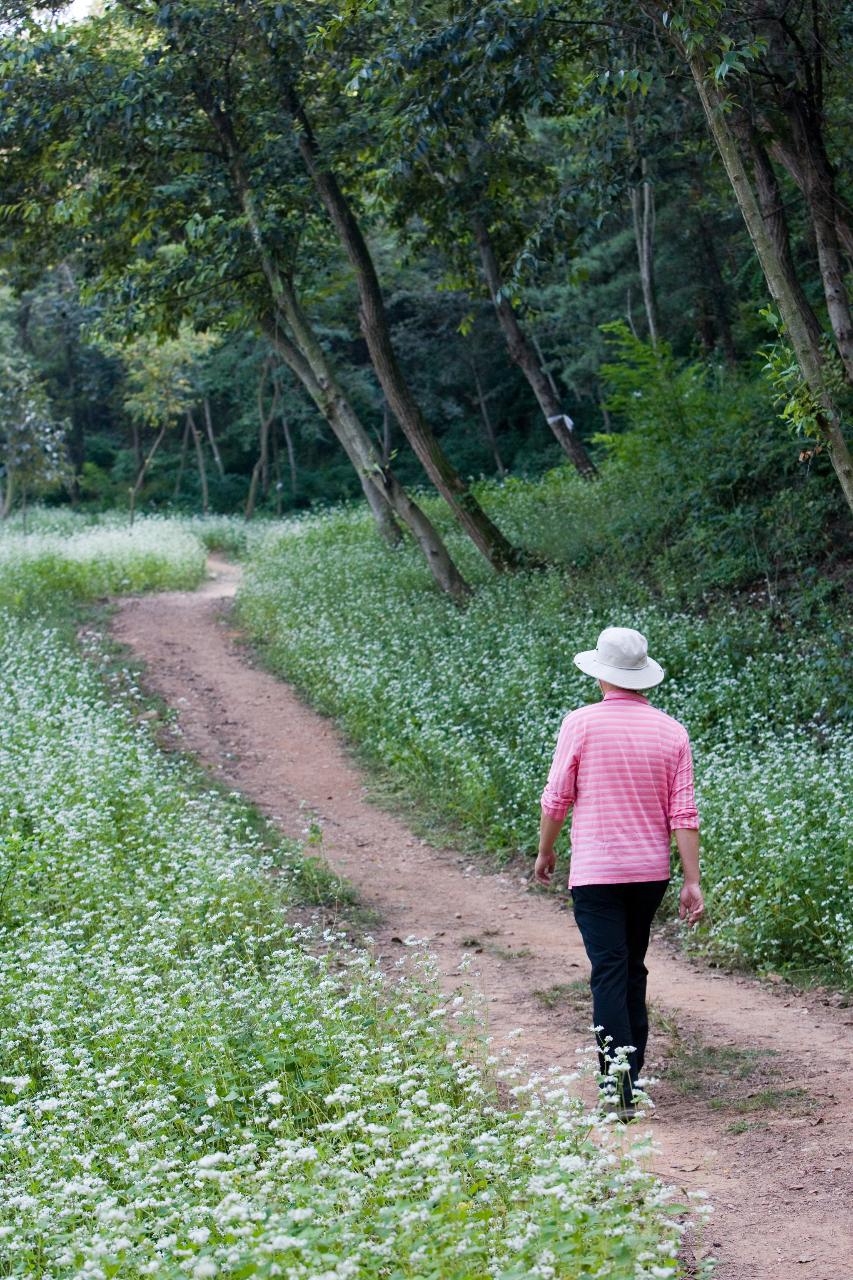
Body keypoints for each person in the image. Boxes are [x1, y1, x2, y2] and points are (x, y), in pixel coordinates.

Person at [534, 626, 704, 1119]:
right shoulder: (672, 731)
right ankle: (633, 1077)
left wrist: (545, 851)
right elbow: (685, 814)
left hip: (596, 873)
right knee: (632, 968)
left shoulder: (580, 724)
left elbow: (557, 798)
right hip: (649, 874)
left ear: (601, 675)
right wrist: (692, 881)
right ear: (643, 677)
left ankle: (620, 1089)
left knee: (609, 970)